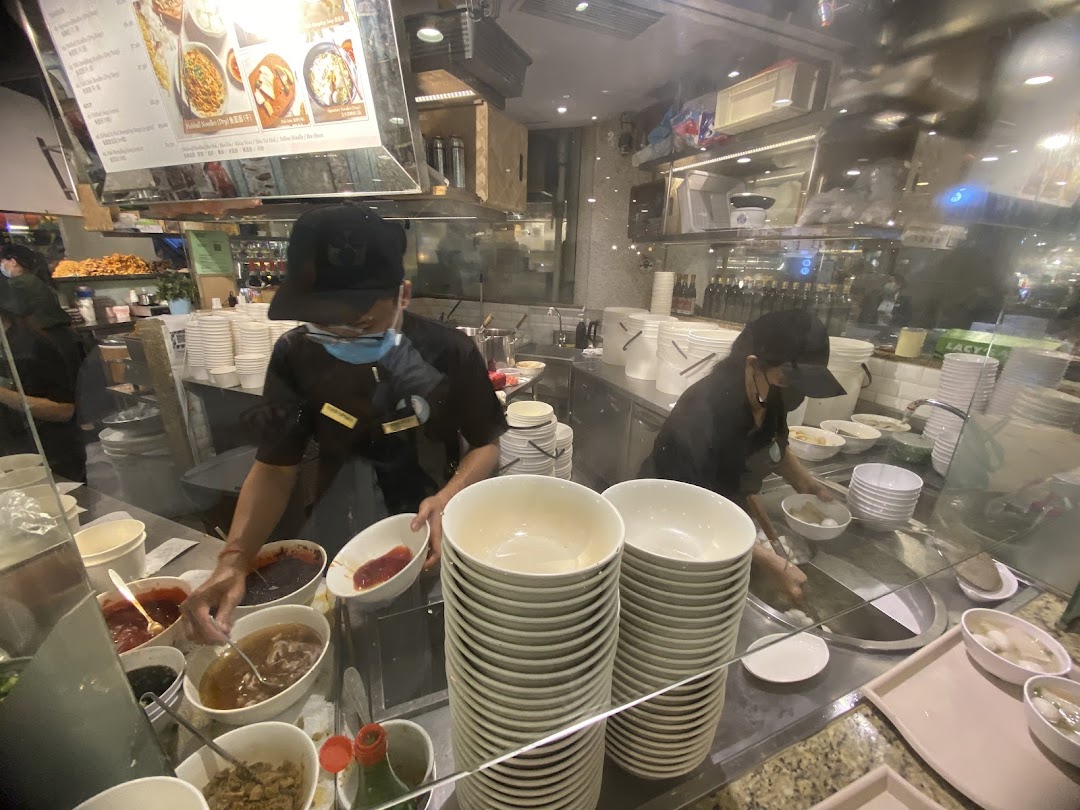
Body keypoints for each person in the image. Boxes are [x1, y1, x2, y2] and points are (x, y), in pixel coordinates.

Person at [185, 204, 507, 642]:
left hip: (423, 531)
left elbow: (487, 442)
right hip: (330, 535)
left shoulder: (448, 352)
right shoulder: (294, 355)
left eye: (361, 325)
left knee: (425, 642)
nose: (341, 340)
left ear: (403, 296)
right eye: (324, 326)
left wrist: (449, 496)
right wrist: (233, 560)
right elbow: (275, 466)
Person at [641, 311, 846, 604]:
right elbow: (695, 509)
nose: (795, 394)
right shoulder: (707, 412)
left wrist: (808, 485)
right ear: (752, 364)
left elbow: (776, 447)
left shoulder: (770, 396)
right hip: (671, 520)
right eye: (788, 379)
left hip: (723, 514)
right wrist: (771, 562)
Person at [0, 282, 85, 481]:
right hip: (11, 457)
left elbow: (64, 410)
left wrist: (3, 394)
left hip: (50, 460)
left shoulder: (33, 346)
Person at [0, 245, 80, 374]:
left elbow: (15, 310)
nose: (1, 266)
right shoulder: (33, 279)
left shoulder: (20, 282)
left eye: (2, 262)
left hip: (47, 338)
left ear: (13, 262)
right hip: (60, 336)